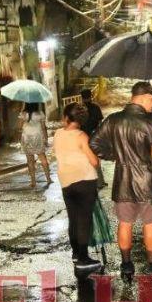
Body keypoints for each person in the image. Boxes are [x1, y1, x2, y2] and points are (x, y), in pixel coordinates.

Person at [90, 81, 152, 276]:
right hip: (149, 182)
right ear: (141, 98)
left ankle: (126, 264)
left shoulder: (113, 120)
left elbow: (94, 143)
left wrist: (115, 155)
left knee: (125, 223)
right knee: (150, 224)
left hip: (122, 181)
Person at [54, 102, 102, 271]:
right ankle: (83, 259)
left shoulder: (58, 134)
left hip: (66, 181)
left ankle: (76, 253)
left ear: (67, 118)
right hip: (84, 180)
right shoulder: (82, 136)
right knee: (84, 220)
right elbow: (94, 161)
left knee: (73, 218)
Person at [20, 103, 51, 188]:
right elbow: (43, 127)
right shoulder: (40, 113)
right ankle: (48, 178)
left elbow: (19, 126)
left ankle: (33, 182)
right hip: (38, 136)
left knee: (30, 161)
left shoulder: (23, 113)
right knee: (43, 158)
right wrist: (46, 139)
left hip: (26, 137)